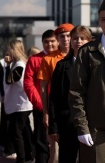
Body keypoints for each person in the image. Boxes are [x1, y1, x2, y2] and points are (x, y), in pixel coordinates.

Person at [69, 0, 105, 163]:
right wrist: (82, 127)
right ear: (99, 21)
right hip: (95, 128)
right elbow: (76, 91)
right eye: (104, 19)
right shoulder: (88, 52)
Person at [48, 25, 92, 163]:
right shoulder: (62, 65)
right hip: (67, 123)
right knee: (67, 158)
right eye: (75, 38)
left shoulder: (97, 65)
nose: (78, 41)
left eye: (82, 38)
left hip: (92, 122)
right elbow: (54, 98)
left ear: (89, 41)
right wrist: (53, 127)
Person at [37, 23, 74, 163]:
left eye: (69, 36)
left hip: (78, 110)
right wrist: (46, 113)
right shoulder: (49, 59)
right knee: (56, 151)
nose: (66, 39)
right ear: (58, 39)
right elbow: (43, 88)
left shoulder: (82, 56)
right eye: (62, 36)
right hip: (58, 111)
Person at [24, 29, 58, 163]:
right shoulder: (34, 60)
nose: (49, 45)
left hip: (60, 108)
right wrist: (41, 105)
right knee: (41, 141)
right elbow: (28, 84)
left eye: (52, 41)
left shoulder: (63, 58)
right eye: (46, 42)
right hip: (41, 108)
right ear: (42, 43)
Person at [2, 40, 33, 163]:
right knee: (24, 132)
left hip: (21, 105)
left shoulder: (19, 65)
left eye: (9, 49)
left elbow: (10, 80)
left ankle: (21, 158)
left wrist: (8, 65)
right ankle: (29, 155)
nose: (7, 51)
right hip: (21, 104)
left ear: (14, 50)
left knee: (17, 133)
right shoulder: (18, 64)